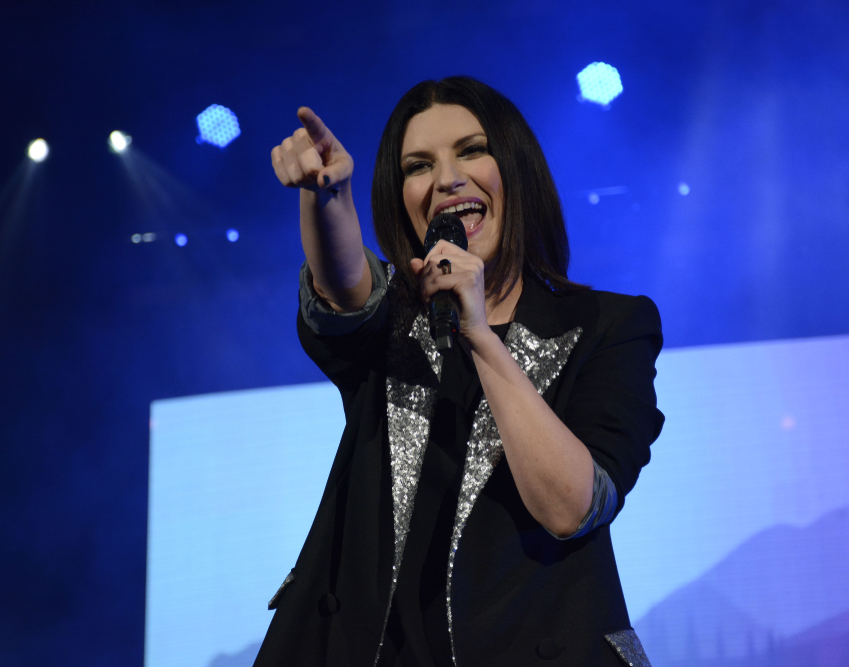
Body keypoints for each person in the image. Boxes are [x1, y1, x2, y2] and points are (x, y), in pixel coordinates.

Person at [255, 77, 664, 667]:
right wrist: (327, 195)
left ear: (516, 170)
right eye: (418, 166)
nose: (447, 179)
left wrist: (479, 335)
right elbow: (343, 288)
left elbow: (571, 508)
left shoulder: (609, 325)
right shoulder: (394, 319)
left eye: (472, 151)